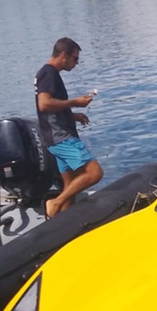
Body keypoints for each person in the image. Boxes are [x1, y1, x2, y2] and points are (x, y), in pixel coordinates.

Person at [34, 37, 103, 219]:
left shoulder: (48, 74)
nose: (76, 63)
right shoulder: (48, 73)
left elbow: (50, 109)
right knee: (94, 173)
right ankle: (54, 203)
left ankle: (62, 227)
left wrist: (72, 115)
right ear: (63, 55)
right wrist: (76, 103)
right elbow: (44, 104)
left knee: (70, 186)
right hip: (62, 138)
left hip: (54, 138)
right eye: (75, 59)